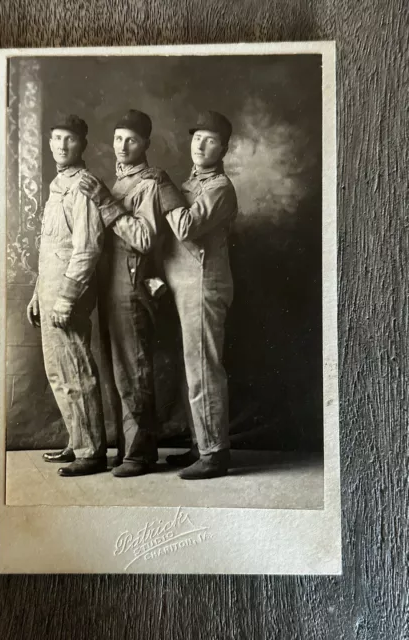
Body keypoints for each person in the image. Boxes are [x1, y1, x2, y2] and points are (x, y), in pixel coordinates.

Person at [78, 109, 185, 478]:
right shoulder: (120, 182)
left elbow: (142, 239)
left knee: (134, 367)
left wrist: (106, 203)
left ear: (146, 145)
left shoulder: (151, 183)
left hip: (133, 283)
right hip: (111, 284)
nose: (123, 146)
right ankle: (128, 450)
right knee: (117, 367)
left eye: (132, 140)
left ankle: (139, 454)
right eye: (118, 138)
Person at [26, 114, 124, 477]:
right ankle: (77, 440)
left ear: (82, 144)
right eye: (55, 138)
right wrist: (39, 293)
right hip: (51, 287)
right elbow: (51, 246)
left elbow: (87, 248)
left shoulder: (84, 185)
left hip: (71, 288)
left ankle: (92, 451)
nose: (61, 146)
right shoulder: (58, 183)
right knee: (58, 369)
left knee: (76, 367)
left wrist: (66, 297)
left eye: (69, 139)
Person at [163, 111, 238, 479]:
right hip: (185, 283)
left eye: (210, 140)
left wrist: (164, 191)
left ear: (223, 148)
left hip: (204, 284)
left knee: (204, 367)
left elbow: (185, 227)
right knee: (193, 366)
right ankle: (200, 444)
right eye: (196, 138)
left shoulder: (220, 188)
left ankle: (214, 454)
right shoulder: (190, 184)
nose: (200, 145)